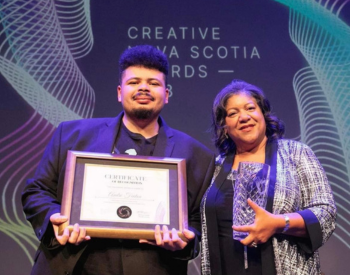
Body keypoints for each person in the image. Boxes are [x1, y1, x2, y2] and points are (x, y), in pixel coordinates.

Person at [22, 45, 215, 275]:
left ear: (166, 95)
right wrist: (56, 219)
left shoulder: (196, 155)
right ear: (119, 92)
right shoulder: (71, 135)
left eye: (153, 83)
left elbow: (196, 219)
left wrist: (185, 241)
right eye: (134, 82)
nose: (143, 87)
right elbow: (37, 190)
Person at [200, 79, 336, 275]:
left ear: (263, 114)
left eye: (250, 108)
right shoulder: (216, 166)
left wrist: (279, 223)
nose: (244, 117)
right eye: (233, 113)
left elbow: (326, 213)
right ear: (224, 127)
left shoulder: (295, 153)